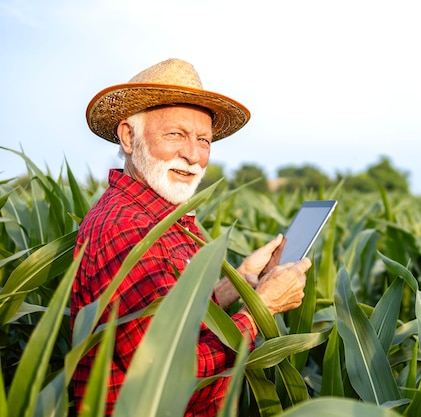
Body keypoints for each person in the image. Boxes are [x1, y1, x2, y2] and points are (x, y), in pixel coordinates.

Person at [70, 58, 311, 416]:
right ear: (128, 136)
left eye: (204, 140)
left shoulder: (159, 215)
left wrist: (243, 281)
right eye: (175, 135)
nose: (194, 155)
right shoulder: (129, 229)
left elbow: (173, 315)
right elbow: (167, 373)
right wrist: (262, 308)